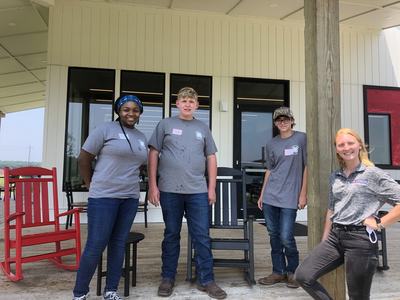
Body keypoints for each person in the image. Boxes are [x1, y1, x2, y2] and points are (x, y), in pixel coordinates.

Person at [295, 128, 400, 300]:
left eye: (350, 143)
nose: (346, 148)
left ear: (359, 145)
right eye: (341, 145)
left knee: (357, 297)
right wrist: (324, 240)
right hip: (335, 237)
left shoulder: (372, 174)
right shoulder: (335, 176)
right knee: (303, 275)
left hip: (361, 240)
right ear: (336, 149)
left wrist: (380, 223)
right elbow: (332, 209)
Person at [147, 87, 227, 299]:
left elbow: (211, 158)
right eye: (184, 100)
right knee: (171, 234)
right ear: (177, 103)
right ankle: (168, 278)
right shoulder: (165, 124)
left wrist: (211, 187)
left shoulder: (203, 128)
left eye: (192, 100)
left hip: (197, 191)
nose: (188, 103)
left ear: (197, 105)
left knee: (201, 235)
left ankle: (207, 280)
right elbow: (153, 153)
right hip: (169, 189)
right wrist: (152, 185)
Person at [72, 95, 148, 300]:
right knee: (96, 243)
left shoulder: (141, 137)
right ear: (118, 111)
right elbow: (83, 159)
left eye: (135, 110)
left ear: (139, 113)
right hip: (104, 196)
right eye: (126, 109)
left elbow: (140, 165)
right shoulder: (104, 130)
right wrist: (91, 185)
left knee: (119, 242)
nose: (131, 113)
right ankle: (80, 293)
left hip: (130, 197)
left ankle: (111, 290)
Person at [257, 106, 307, 289]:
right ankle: (278, 271)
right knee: (274, 235)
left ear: (292, 120)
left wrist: (303, 193)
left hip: (290, 196)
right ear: (275, 122)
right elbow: (269, 170)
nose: (283, 122)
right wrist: (262, 194)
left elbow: (308, 166)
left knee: (286, 236)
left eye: (286, 119)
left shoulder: (302, 138)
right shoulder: (272, 144)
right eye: (279, 119)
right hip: (271, 195)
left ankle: (293, 272)